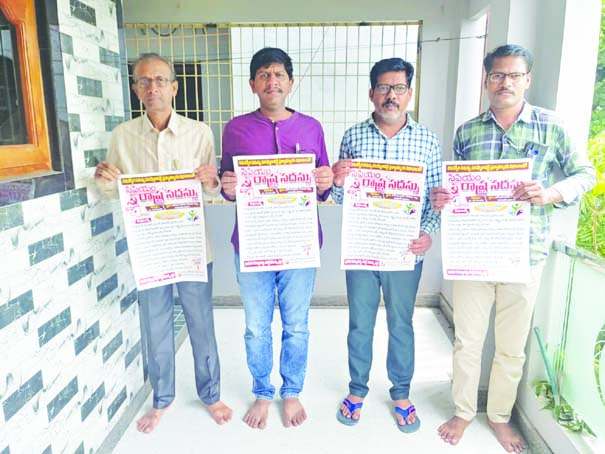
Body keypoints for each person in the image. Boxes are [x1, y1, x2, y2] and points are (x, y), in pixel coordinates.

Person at [432, 44, 596, 453]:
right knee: (467, 341)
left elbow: (585, 174)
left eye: (514, 75)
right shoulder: (468, 132)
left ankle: (500, 417)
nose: (505, 82)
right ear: (486, 80)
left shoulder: (550, 127)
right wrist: (445, 198)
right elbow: (460, 189)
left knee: (511, 347)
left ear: (527, 79)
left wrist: (550, 193)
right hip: (474, 255)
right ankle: (463, 411)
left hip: (525, 255)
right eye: (497, 75)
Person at [94, 53, 232, 433]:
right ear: (135, 89)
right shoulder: (123, 136)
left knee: (200, 322)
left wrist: (211, 180)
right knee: (155, 324)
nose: (152, 87)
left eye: (159, 80)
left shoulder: (199, 133)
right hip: (150, 250)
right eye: (143, 81)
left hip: (191, 248)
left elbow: (211, 189)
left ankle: (211, 394)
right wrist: (104, 179)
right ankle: (162, 399)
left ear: (174, 87)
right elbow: (115, 191)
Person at [219, 47, 333, 429]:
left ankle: (292, 390)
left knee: (297, 324)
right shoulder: (235, 129)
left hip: (299, 243)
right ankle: (262, 391)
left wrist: (324, 182)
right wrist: (228, 186)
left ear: (291, 82)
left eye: (279, 74)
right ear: (252, 84)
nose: (272, 81)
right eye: (264, 75)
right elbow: (227, 185)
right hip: (253, 244)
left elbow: (323, 186)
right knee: (256, 326)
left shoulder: (311, 128)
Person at [331, 57, 442, 432]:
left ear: (409, 93)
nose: (390, 95)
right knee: (359, 324)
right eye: (383, 87)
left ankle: (401, 392)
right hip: (363, 250)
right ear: (371, 93)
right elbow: (341, 197)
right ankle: (357, 389)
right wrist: (338, 181)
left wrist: (428, 232)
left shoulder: (427, 140)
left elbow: (434, 197)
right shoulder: (353, 136)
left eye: (398, 88)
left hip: (405, 251)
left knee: (401, 323)